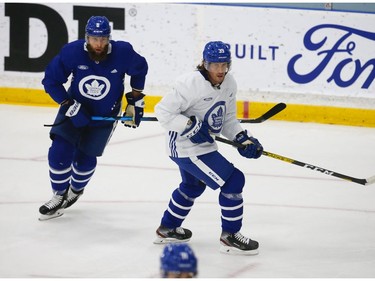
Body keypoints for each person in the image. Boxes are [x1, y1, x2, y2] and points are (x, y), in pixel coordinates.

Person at [153, 41, 263, 255]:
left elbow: (228, 117)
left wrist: (242, 138)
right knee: (234, 180)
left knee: (193, 186)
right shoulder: (189, 84)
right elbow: (162, 112)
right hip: (184, 146)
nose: (220, 70)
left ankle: (167, 228)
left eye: (224, 65)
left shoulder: (229, 83)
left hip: (203, 144)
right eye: (215, 65)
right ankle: (230, 235)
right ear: (205, 64)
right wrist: (189, 125)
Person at [38, 16, 148, 221]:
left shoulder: (123, 52)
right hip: (74, 108)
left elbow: (140, 68)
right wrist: (68, 104)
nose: (99, 44)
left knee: (85, 158)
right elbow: (51, 80)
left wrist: (135, 99)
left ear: (109, 38)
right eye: (94, 39)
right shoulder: (72, 52)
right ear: (86, 38)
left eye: (103, 39)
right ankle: (58, 194)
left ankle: (76, 190)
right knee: (59, 149)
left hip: (105, 114)